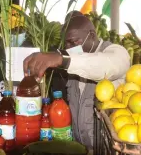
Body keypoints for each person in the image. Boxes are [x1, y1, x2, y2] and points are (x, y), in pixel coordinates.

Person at [23, 11, 130, 149]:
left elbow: (105, 66)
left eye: (73, 42)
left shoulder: (116, 53)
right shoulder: (75, 62)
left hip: (107, 149)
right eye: (66, 44)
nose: (69, 48)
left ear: (92, 35)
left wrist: (62, 59)